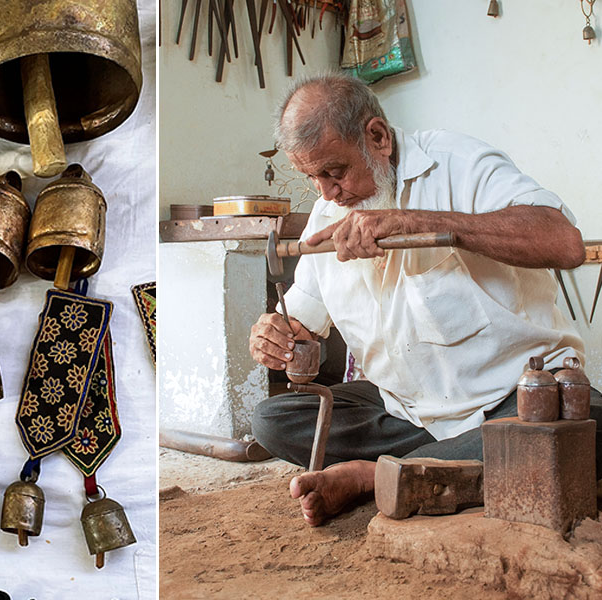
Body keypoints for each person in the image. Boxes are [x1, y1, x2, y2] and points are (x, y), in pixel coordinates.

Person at [248, 72, 598, 527]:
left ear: (377, 137)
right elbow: (301, 322)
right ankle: (435, 463)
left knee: (581, 427)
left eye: (335, 172)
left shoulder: (457, 163)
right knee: (274, 419)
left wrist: (411, 221)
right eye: (313, 178)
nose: (327, 192)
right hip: (406, 413)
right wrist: (274, 334)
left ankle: (376, 475)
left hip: (516, 399)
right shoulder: (328, 213)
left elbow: (563, 242)